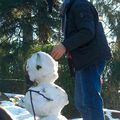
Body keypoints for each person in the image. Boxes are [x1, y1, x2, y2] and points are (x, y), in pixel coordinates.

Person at [51, 0, 112, 120]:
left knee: (89, 102)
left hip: (90, 59)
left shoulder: (79, 4)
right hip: (84, 60)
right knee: (82, 103)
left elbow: (87, 31)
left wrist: (65, 45)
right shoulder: (70, 7)